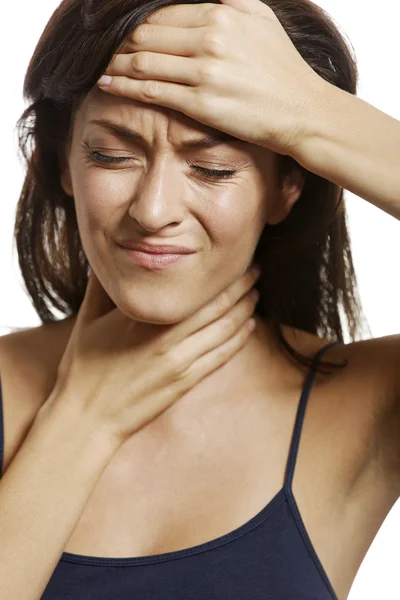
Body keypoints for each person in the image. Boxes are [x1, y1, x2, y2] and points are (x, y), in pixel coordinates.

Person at [0, 0, 399, 598]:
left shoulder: (366, 408)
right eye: (111, 154)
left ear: (288, 184)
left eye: (211, 167)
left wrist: (314, 113)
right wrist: (80, 424)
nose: (153, 210)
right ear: (61, 163)